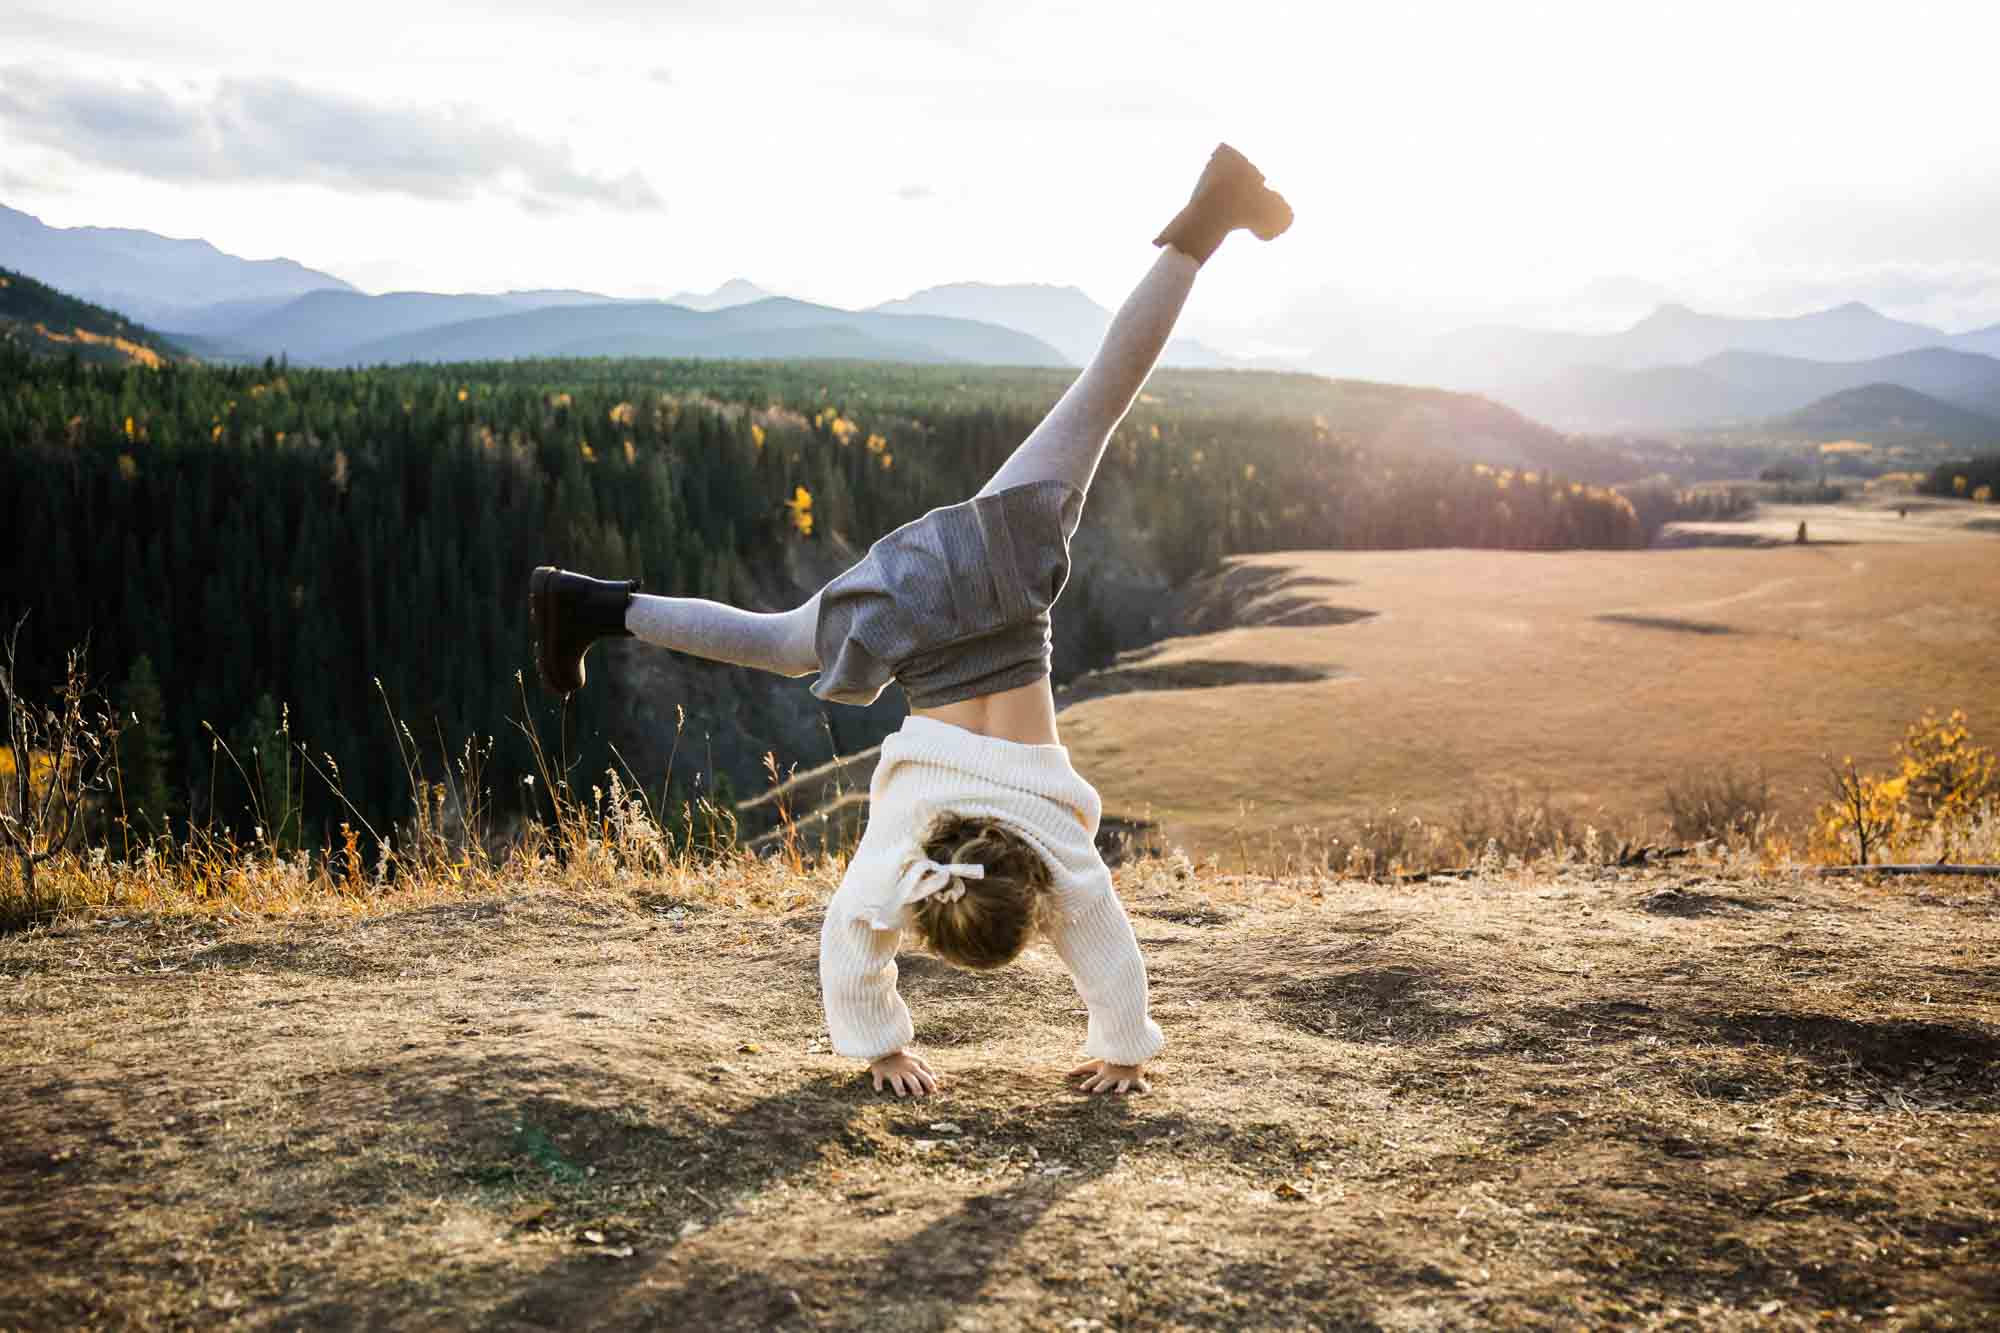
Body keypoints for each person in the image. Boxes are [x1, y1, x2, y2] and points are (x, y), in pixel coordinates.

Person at [531, 144, 1292, 1097]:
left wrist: (1123, 1048)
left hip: (997, 581)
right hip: (922, 615)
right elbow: (851, 944)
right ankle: (593, 605)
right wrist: (881, 1044)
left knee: (1099, 398)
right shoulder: (906, 862)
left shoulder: (1058, 858)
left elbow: (1110, 963)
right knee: (779, 642)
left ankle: (1209, 217)